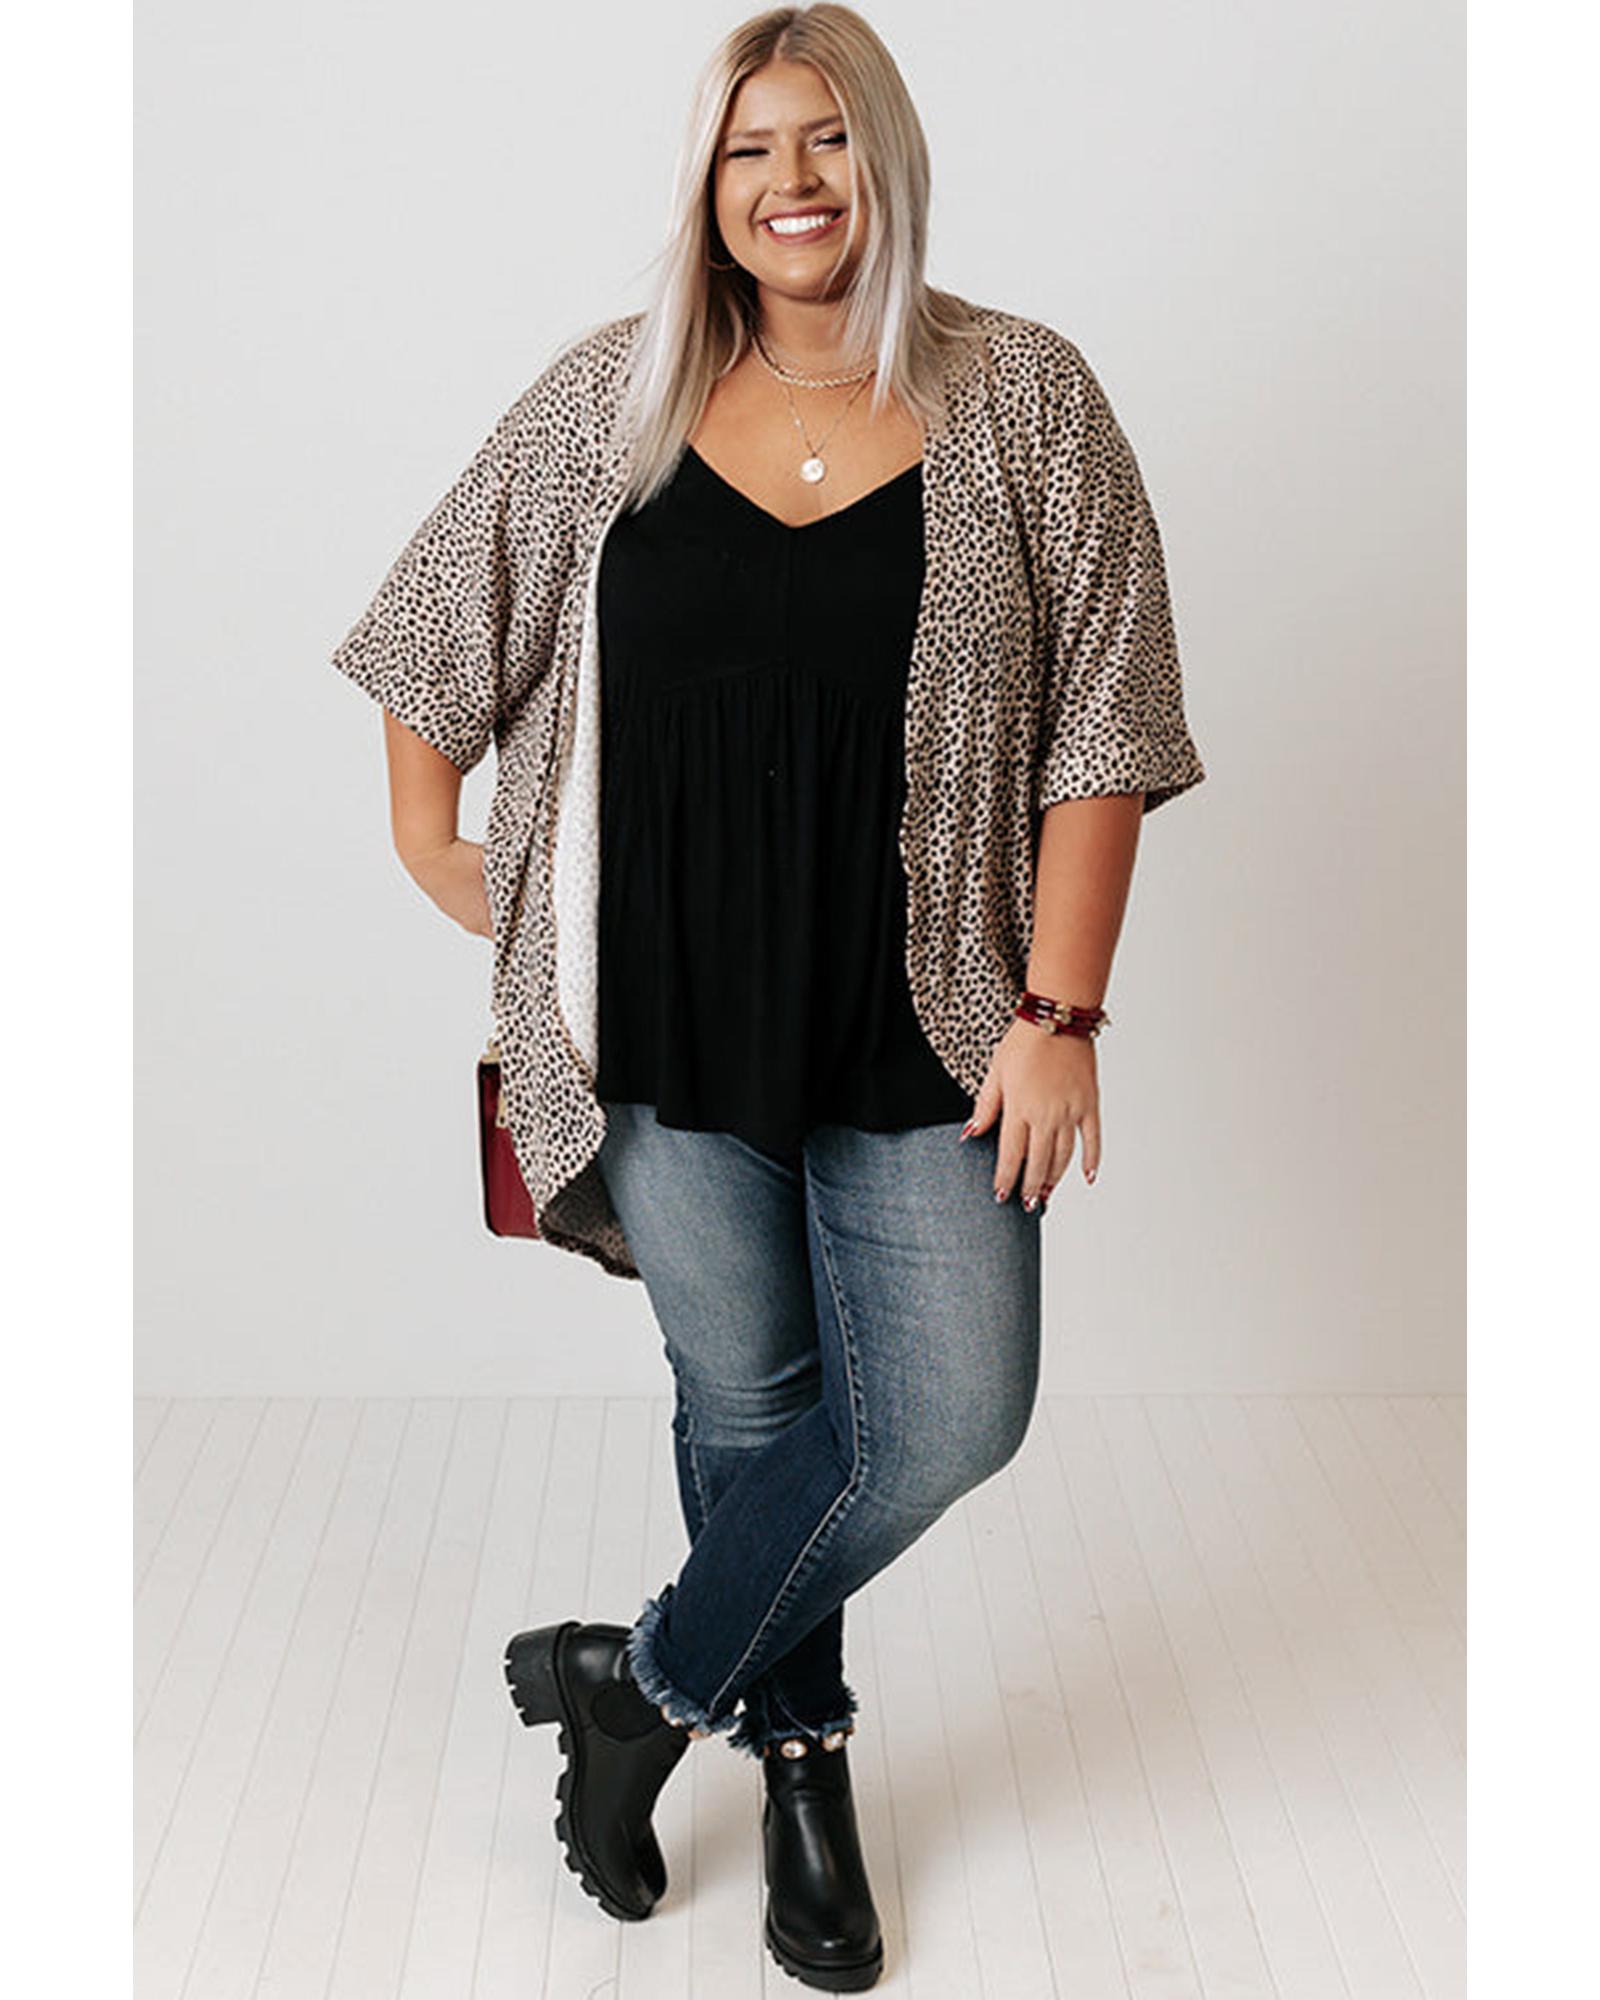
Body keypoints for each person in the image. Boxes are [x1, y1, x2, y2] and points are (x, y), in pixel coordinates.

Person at [330, 6, 1206, 1989]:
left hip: (935, 1016)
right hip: (663, 1022)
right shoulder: (612, 394)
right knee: (748, 1414)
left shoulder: (1022, 396)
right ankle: (801, 1767)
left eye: (824, 140)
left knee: (948, 1416)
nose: (790, 181)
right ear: (707, 187)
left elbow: (1107, 717)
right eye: (750, 150)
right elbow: (432, 627)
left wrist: (1059, 1014)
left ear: (883, 159)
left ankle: (635, 1687)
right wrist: (448, 860)